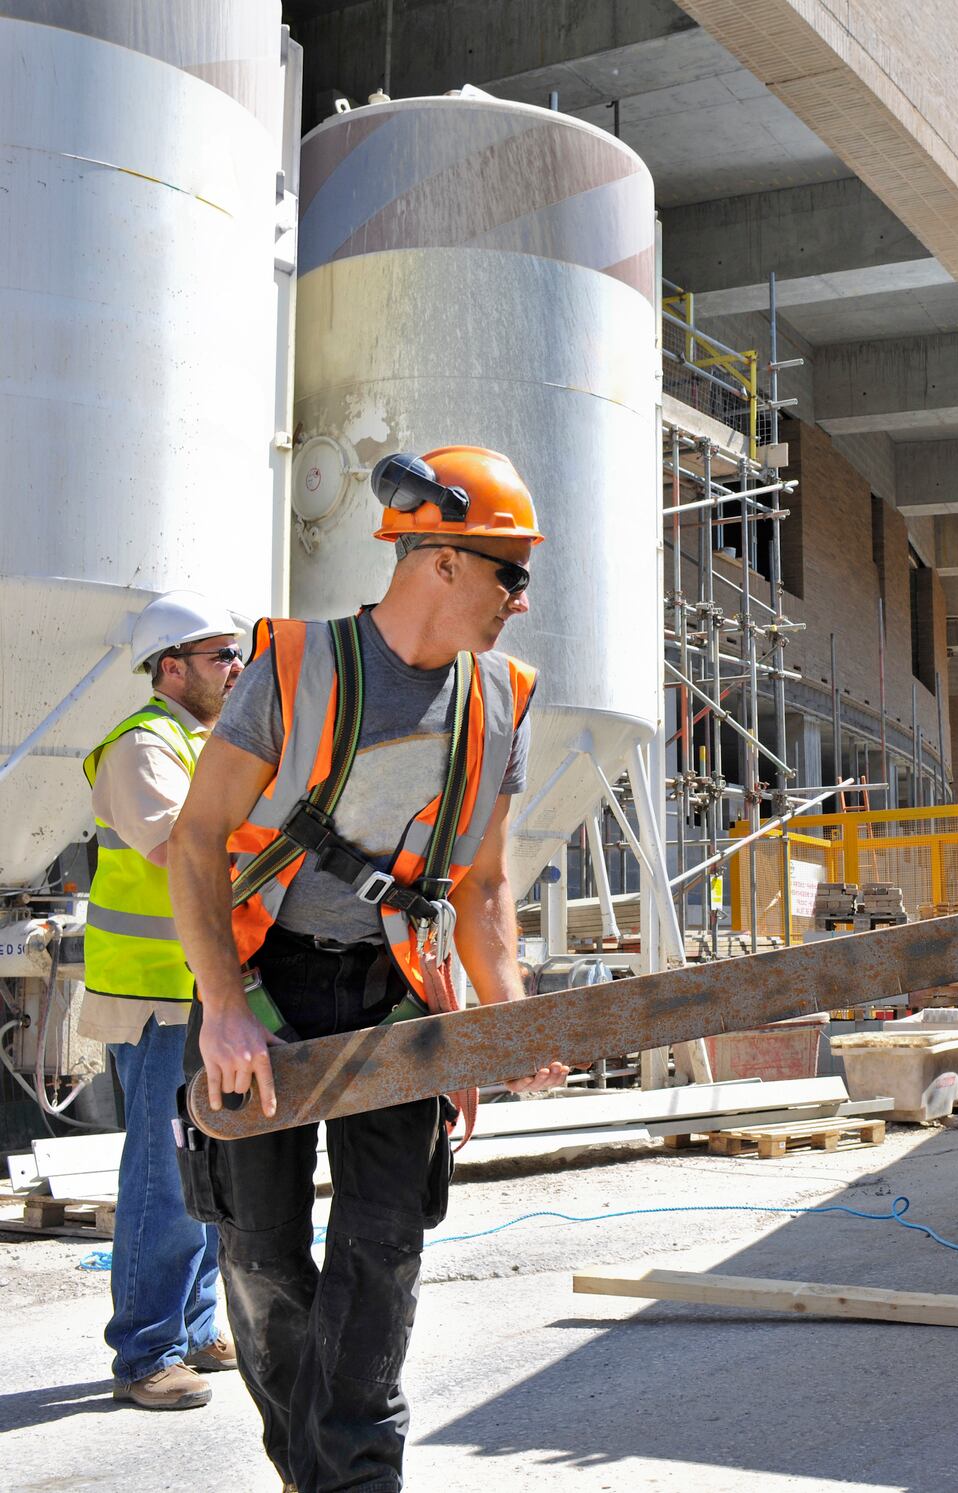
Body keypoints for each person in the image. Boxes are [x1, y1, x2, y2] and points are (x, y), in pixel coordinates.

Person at [168, 447, 569, 1492]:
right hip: (264, 982)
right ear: (438, 558)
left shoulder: (502, 700)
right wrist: (222, 1007)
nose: (521, 602)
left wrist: (505, 1017)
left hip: (396, 992)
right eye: (509, 574)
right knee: (260, 1258)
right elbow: (200, 837)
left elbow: (481, 887)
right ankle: (311, 1466)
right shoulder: (294, 667)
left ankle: (351, 1477)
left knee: (382, 1253)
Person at [81, 591, 245, 1410]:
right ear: (170, 666)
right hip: (156, 1000)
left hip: (202, 994)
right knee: (163, 1177)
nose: (236, 667)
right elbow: (178, 843)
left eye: (237, 653)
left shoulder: (206, 744)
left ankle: (194, 1325)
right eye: (220, 655)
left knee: (208, 1165)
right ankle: (146, 1352)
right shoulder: (143, 746)